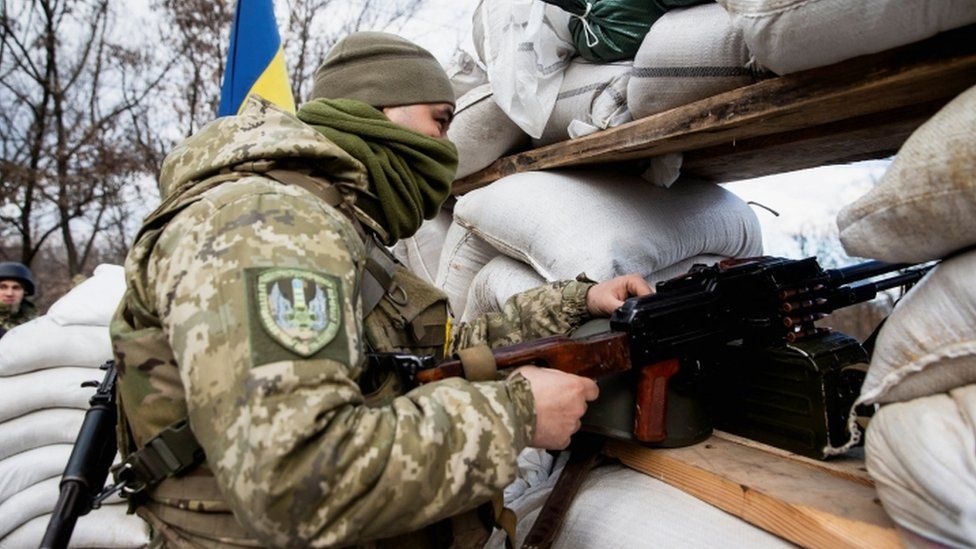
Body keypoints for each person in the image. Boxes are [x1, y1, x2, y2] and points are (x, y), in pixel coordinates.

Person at [110, 31, 652, 548]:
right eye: (439, 121)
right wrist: (514, 416)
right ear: (377, 109)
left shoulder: (334, 225)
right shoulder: (271, 224)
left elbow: (426, 354)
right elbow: (291, 478)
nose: (446, 144)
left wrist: (575, 302)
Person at [0, 261, 38, 337]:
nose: (9, 293)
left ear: (25, 292)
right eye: (3, 287)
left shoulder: (36, 325)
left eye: (16, 288)